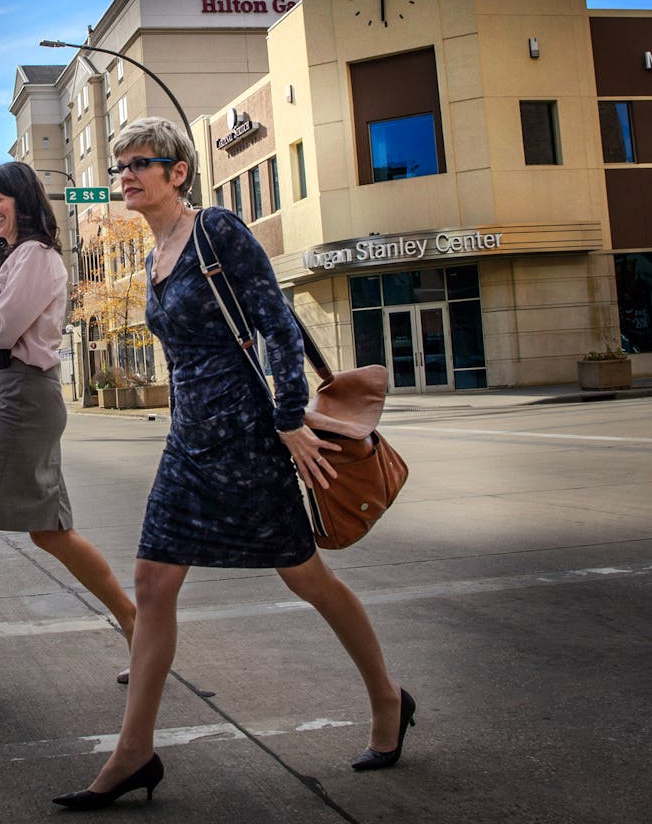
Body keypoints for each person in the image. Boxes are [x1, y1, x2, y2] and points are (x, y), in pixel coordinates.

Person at [52, 118, 414, 811]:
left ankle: (387, 700)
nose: (125, 174)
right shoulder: (153, 252)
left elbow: (278, 324)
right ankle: (134, 753)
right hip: (188, 445)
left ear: (177, 171)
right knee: (152, 582)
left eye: (139, 163)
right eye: (122, 164)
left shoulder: (217, 230)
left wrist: (286, 420)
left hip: (249, 443)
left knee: (307, 578)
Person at [0, 161, 137, 708]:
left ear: (22, 199)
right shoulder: (8, 261)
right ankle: (139, 629)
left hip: (24, 400)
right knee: (50, 532)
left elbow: (7, 329)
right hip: (10, 393)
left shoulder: (37, 257)